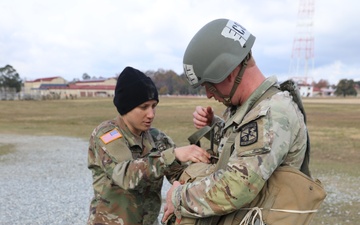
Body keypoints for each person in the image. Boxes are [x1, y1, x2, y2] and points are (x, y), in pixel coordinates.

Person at [162, 18, 325, 225]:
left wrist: (177, 196)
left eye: (209, 85)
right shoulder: (250, 108)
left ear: (229, 73)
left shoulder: (271, 113)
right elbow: (243, 147)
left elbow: (237, 187)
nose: (209, 95)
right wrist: (214, 125)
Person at [87, 66, 211, 225]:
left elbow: (180, 172)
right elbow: (125, 176)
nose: (151, 114)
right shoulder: (108, 135)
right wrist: (173, 155)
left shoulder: (156, 137)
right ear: (127, 107)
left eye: (154, 106)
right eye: (144, 107)